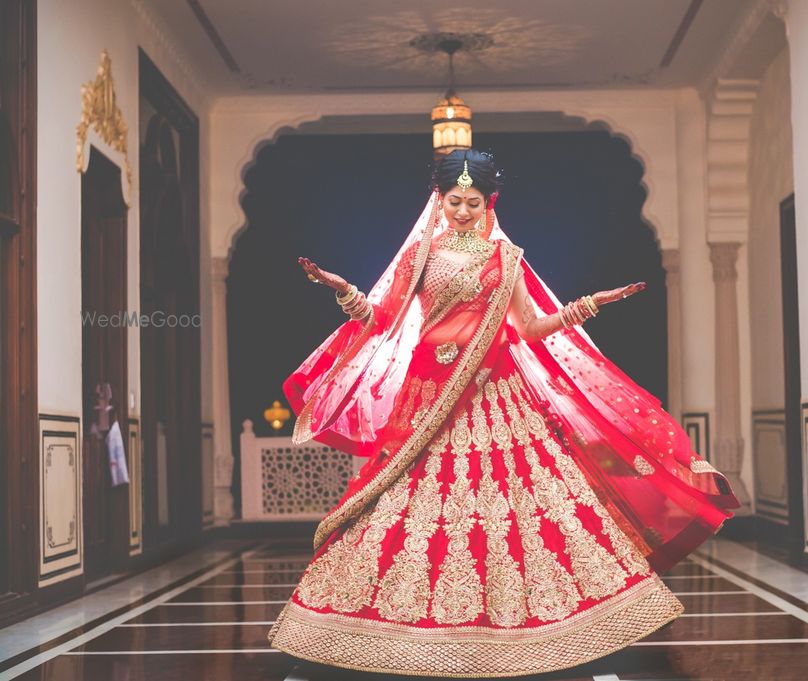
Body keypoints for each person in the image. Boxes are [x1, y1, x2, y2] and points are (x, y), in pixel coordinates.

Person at [267, 149, 741, 676]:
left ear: (488, 201)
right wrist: (346, 293)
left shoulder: (505, 258)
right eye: (454, 201)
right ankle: (388, 628)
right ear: (438, 200)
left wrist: (587, 306)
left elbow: (530, 328)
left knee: (520, 506)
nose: (463, 211)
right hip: (429, 399)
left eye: (473, 202)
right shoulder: (419, 258)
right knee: (407, 508)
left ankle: (536, 628)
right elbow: (383, 318)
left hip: (497, 396)